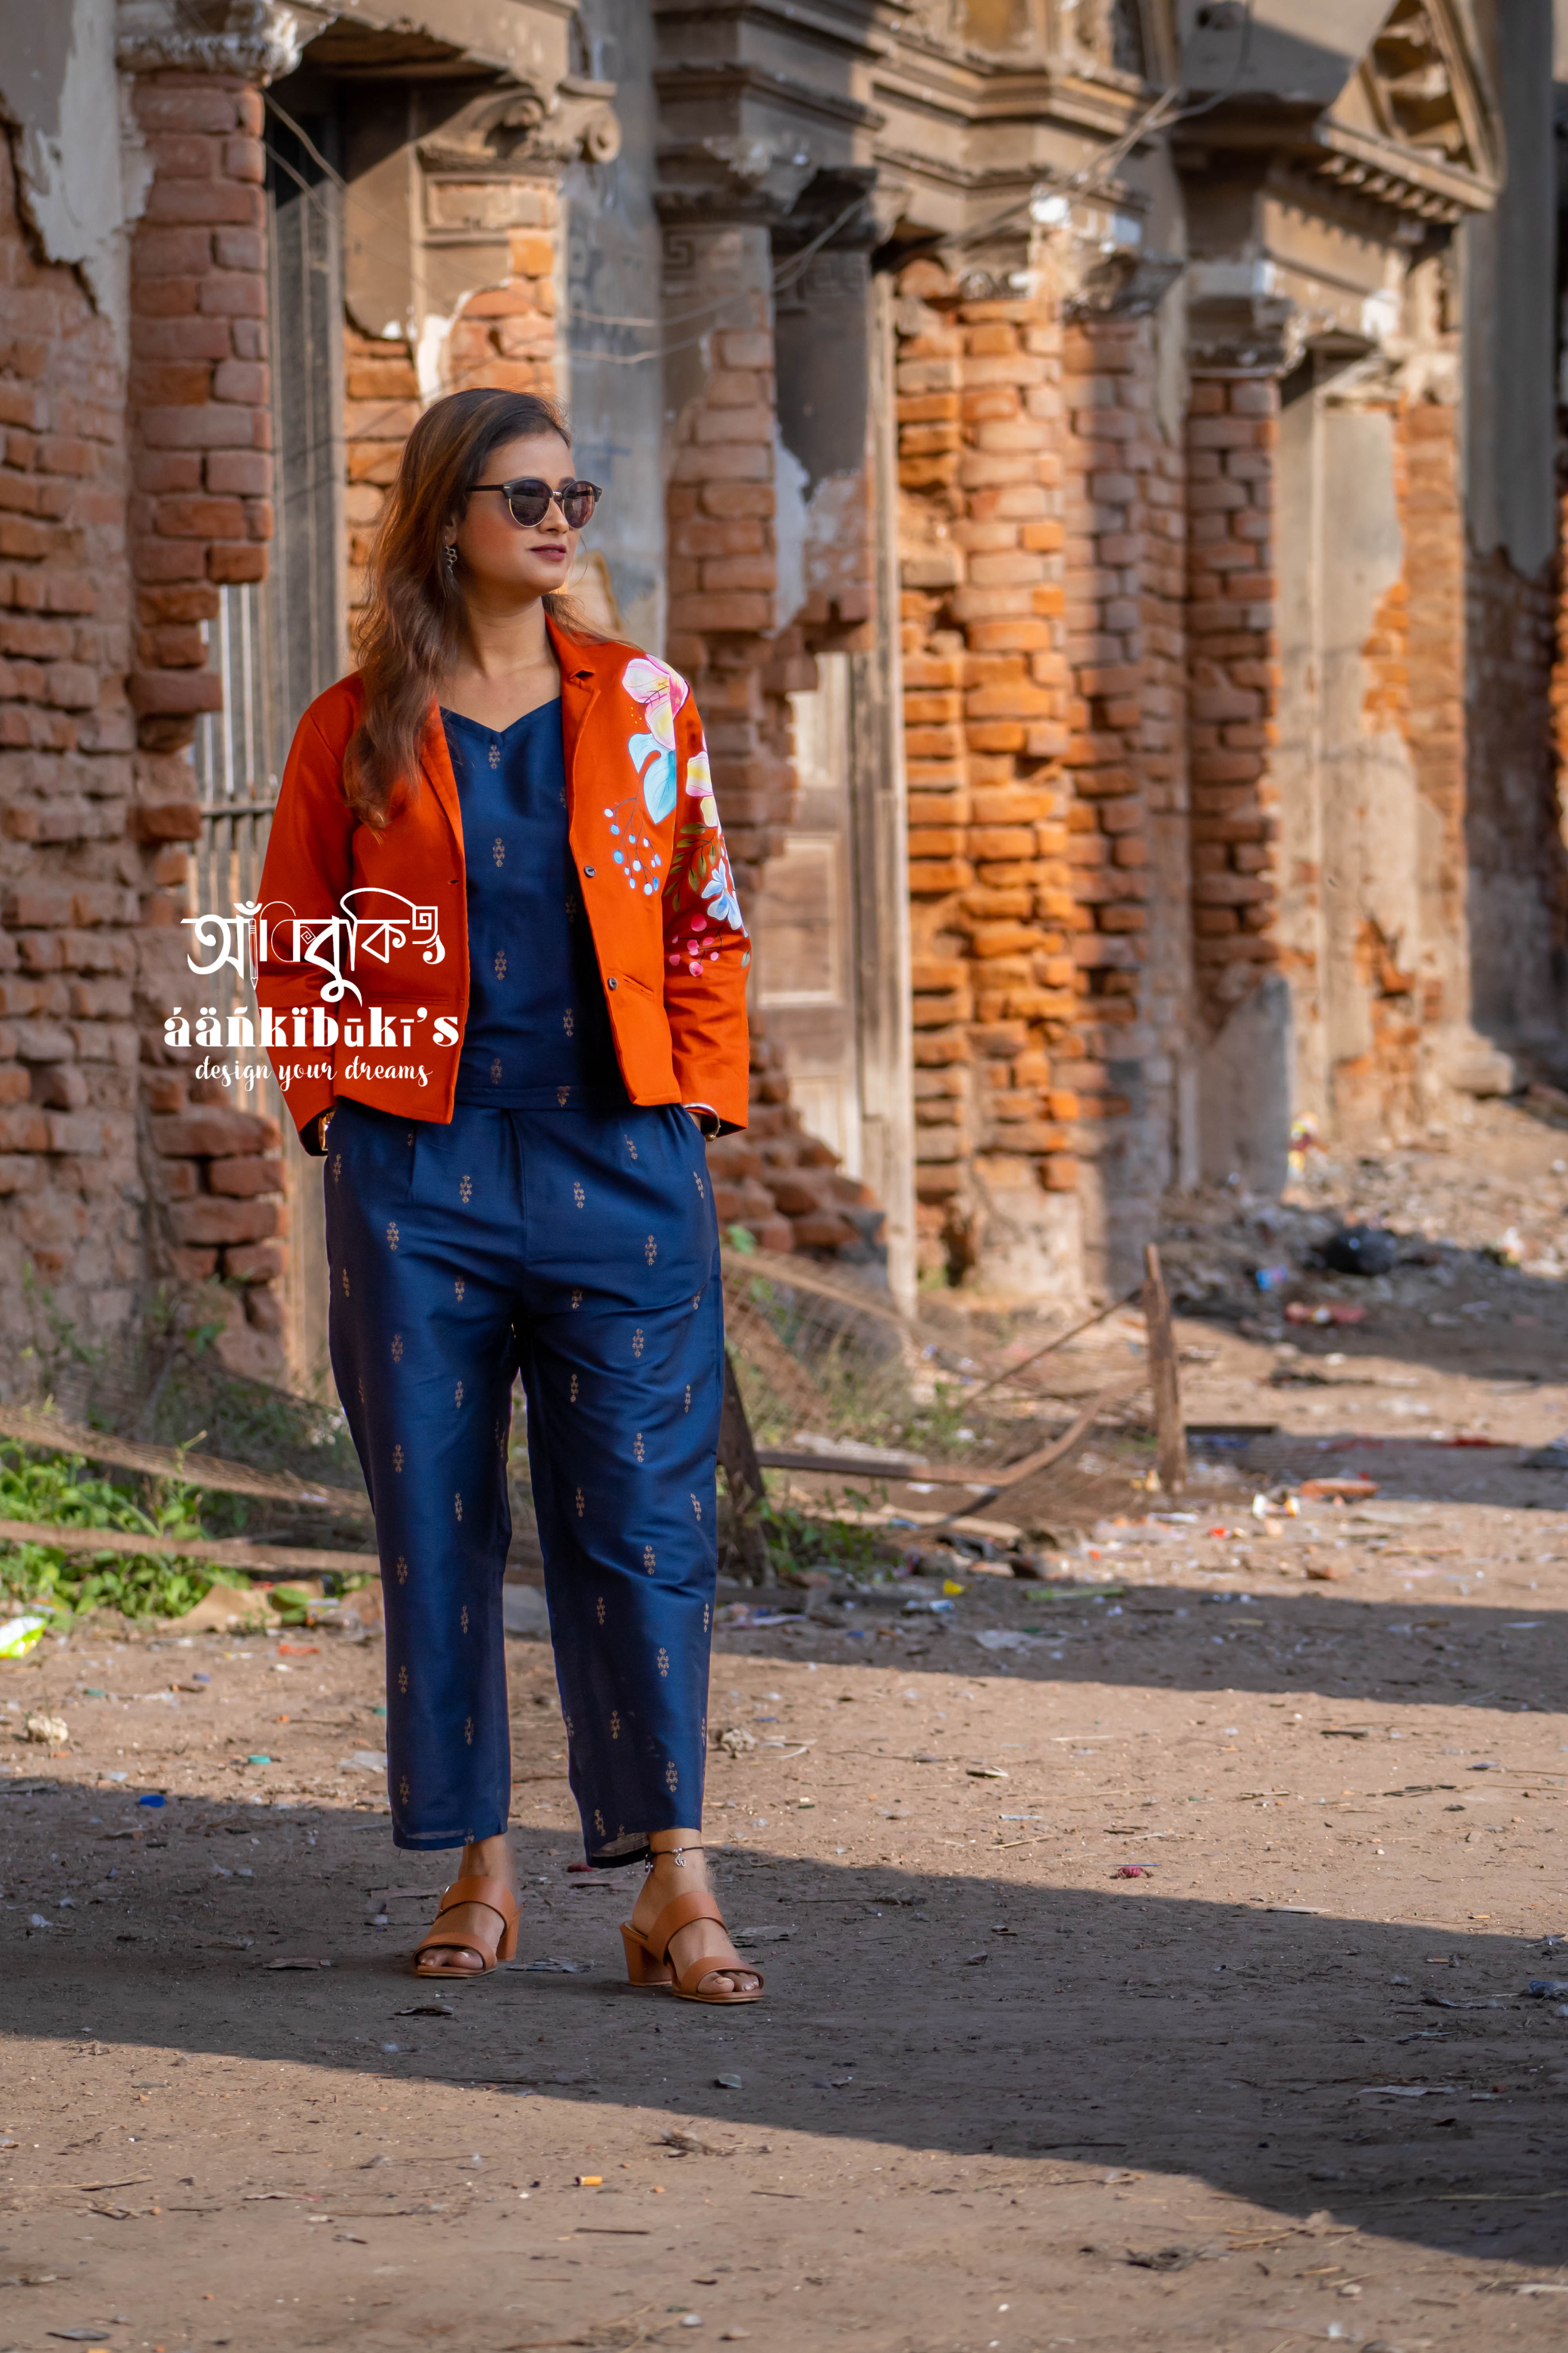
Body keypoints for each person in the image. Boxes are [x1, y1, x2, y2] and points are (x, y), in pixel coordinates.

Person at [256, 387, 762, 2003]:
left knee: (643, 1519)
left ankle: (673, 1877)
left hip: (622, 1160)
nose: (557, 520)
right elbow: (294, 935)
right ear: (446, 518)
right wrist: (339, 1110)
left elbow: (705, 920)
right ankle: (482, 1863)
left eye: (574, 495)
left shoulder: (648, 705)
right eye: (522, 495)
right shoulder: (354, 725)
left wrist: (691, 1110)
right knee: (437, 1519)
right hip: (422, 1176)